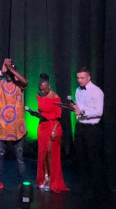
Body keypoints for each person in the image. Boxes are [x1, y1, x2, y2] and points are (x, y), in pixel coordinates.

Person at [0, 58, 28, 191]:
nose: (9, 73)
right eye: (7, 69)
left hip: (17, 127)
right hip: (2, 127)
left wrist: (10, 68)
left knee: (19, 158)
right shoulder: (1, 83)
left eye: (11, 69)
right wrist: (1, 72)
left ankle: (22, 182)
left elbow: (25, 81)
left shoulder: (19, 84)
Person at [71, 66, 107, 202]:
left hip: (92, 129)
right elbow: (79, 108)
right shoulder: (77, 90)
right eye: (78, 78)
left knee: (93, 159)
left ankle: (97, 191)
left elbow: (99, 111)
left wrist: (83, 112)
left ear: (89, 77)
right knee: (81, 158)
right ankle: (84, 188)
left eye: (82, 78)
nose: (79, 80)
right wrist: (74, 108)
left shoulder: (97, 91)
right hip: (80, 127)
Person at [35, 73, 68, 193]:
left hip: (53, 126)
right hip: (42, 126)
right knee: (42, 154)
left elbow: (58, 117)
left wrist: (54, 131)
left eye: (44, 89)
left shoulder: (56, 97)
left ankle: (52, 179)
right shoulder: (39, 95)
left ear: (49, 86)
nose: (42, 91)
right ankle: (45, 177)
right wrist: (36, 113)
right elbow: (41, 110)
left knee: (50, 152)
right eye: (41, 89)